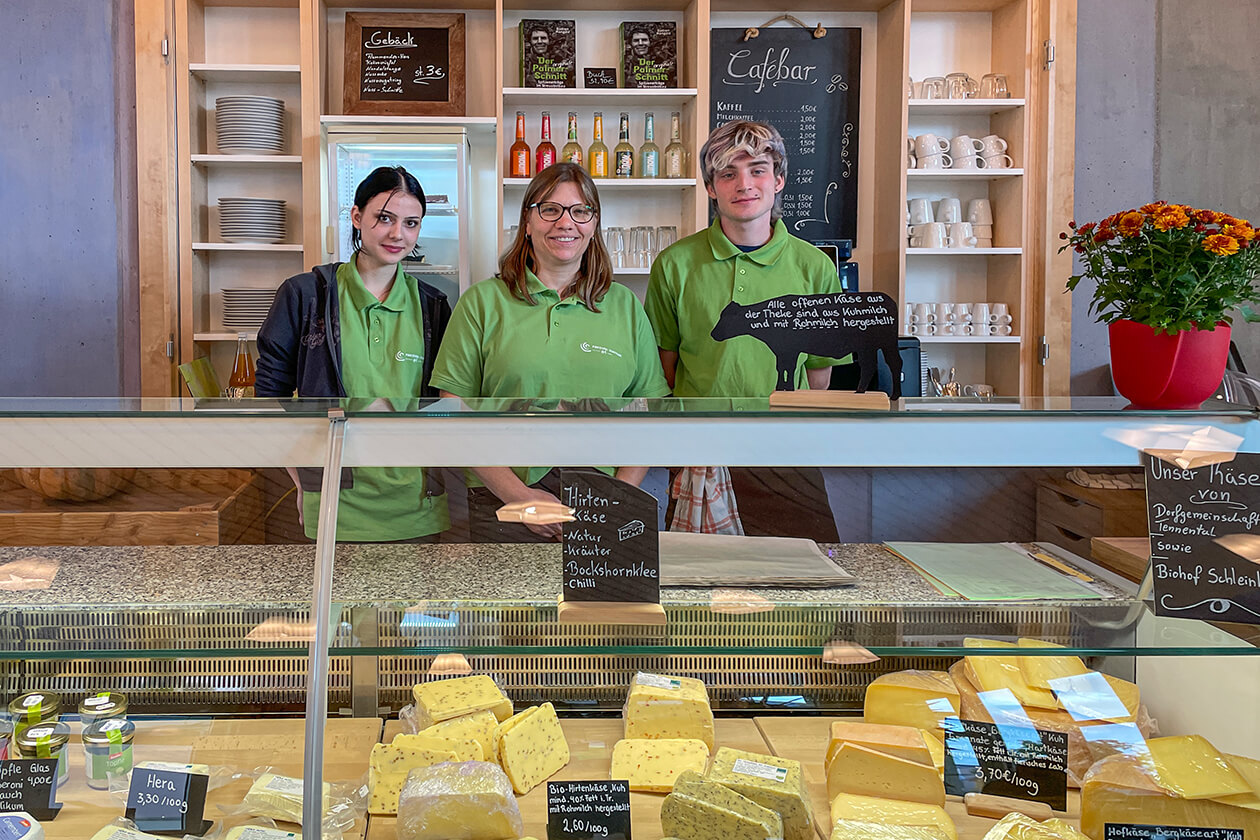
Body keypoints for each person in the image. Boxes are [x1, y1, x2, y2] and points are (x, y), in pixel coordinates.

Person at [430, 162, 671, 542]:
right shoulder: (482, 302)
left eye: (580, 211)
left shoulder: (625, 305)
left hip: (606, 495)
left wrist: (615, 497)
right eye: (550, 209)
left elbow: (650, 413)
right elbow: (453, 410)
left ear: (594, 225)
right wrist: (519, 497)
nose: (565, 222)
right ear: (527, 222)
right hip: (503, 497)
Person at [644, 119, 844, 538]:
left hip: (788, 455)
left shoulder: (815, 267)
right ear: (710, 187)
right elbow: (665, 368)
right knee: (696, 575)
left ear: (779, 180)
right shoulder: (674, 265)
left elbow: (819, 375)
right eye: (728, 174)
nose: (744, 184)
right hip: (700, 452)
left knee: (806, 569)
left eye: (757, 170)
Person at [255, 165, 452, 543]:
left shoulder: (432, 305)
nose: (398, 234)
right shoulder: (306, 295)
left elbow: (446, 406)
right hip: (333, 504)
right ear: (357, 217)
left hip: (417, 509)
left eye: (411, 223)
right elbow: (269, 398)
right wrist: (300, 477)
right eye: (384, 218)